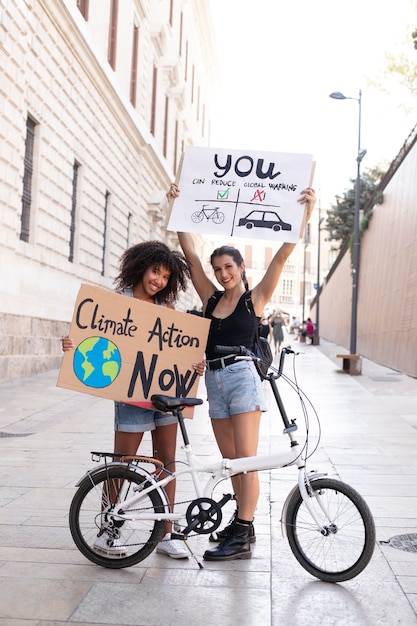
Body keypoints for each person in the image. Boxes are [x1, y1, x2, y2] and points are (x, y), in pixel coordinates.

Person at [169, 182, 316, 561]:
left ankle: (244, 531)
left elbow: (282, 258)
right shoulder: (211, 298)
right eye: (218, 269)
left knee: (245, 459)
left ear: (240, 267)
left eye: (228, 267)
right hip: (214, 380)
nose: (221, 274)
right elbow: (189, 254)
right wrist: (178, 205)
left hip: (242, 378)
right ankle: (239, 523)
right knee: (230, 459)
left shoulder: (255, 300)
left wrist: (306, 212)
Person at [62, 241, 204, 559]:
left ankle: (167, 533)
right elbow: (93, 339)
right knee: (122, 464)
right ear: (141, 267)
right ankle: (108, 530)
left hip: (167, 399)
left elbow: (182, 351)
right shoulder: (116, 303)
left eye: (166, 276)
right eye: (156, 271)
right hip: (131, 397)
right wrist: (74, 345)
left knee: (167, 462)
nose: (159, 280)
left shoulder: (167, 309)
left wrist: (196, 365)